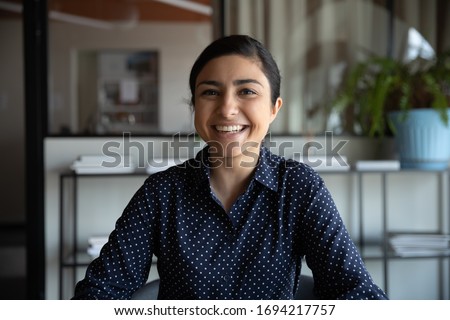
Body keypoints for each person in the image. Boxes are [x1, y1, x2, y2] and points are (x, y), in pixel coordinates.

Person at [72, 35, 388, 300]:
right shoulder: (161, 193)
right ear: (195, 108)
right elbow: (100, 293)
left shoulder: (299, 188)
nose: (227, 109)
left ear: (274, 108)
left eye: (247, 91)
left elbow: (356, 293)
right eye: (210, 92)